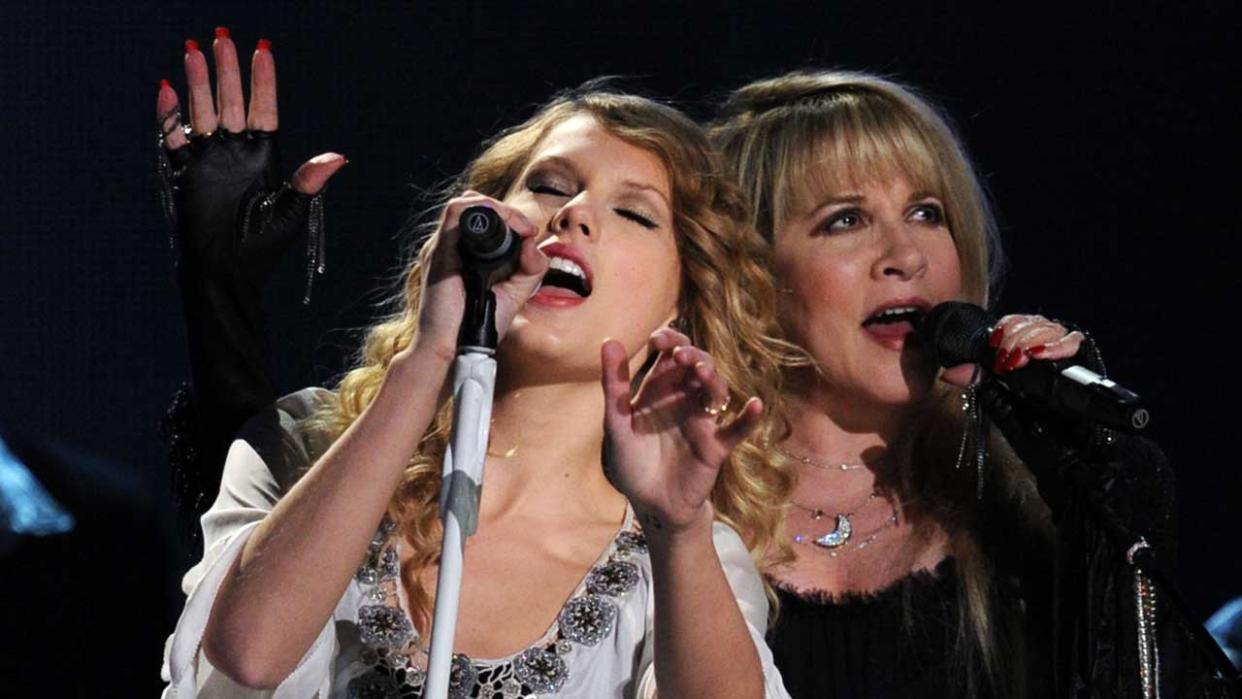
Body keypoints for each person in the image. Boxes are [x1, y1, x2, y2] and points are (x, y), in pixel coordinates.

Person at [157, 30, 794, 698]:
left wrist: (677, 526)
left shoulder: (686, 558)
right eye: (548, 186)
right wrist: (430, 354)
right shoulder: (304, 444)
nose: (573, 214)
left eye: (634, 213)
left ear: (680, 302)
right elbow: (247, 658)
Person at [711, 70, 1238, 697]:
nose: (906, 254)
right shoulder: (672, 507)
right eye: (846, 220)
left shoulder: (1013, 504)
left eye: (926, 213)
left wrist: (1098, 477)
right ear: (751, 277)